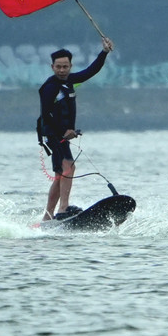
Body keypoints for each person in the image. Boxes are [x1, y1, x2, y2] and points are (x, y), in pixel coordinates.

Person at [38, 37, 115, 220]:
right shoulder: (50, 87)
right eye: (58, 67)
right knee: (68, 168)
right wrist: (63, 131)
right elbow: (46, 114)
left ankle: (47, 217)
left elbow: (91, 71)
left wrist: (104, 52)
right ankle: (63, 209)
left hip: (61, 135)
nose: (62, 70)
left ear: (70, 66)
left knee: (61, 174)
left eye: (65, 66)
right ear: (52, 67)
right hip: (51, 133)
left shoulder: (69, 80)